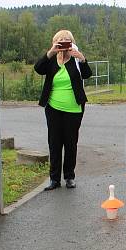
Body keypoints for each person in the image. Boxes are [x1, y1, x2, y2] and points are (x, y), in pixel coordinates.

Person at [34, 30, 91, 190]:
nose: (64, 42)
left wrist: (82, 58)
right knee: (54, 143)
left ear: (72, 43)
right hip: (53, 108)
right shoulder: (51, 60)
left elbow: (87, 75)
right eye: (61, 39)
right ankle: (54, 179)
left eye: (67, 40)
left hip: (74, 108)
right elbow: (38, 68)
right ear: (55, 42)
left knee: (71, 143)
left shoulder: (75, 60)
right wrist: (51, 52)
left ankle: (69, 177)